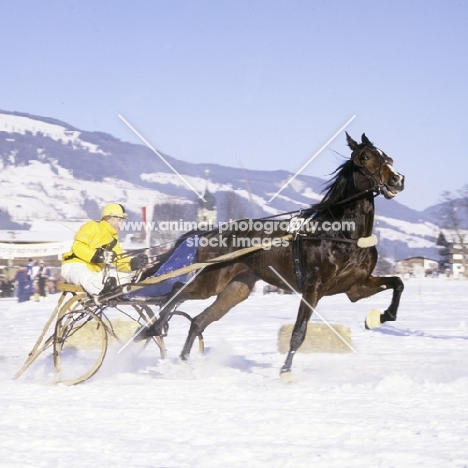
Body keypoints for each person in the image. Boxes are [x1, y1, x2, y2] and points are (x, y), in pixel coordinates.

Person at [61, 203, 148, 301]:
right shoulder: (93, 226)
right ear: (110, 219)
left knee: (124, 277)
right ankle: (102, 294)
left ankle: (115, 293)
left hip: (95, 272)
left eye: (122, 220)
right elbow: (78, 247)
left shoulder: (114, 240)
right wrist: (98, 256)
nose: (121, 224)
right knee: (87, 276)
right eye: (119, 220)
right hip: (73, 265)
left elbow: (119, 260)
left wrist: (132, 264)